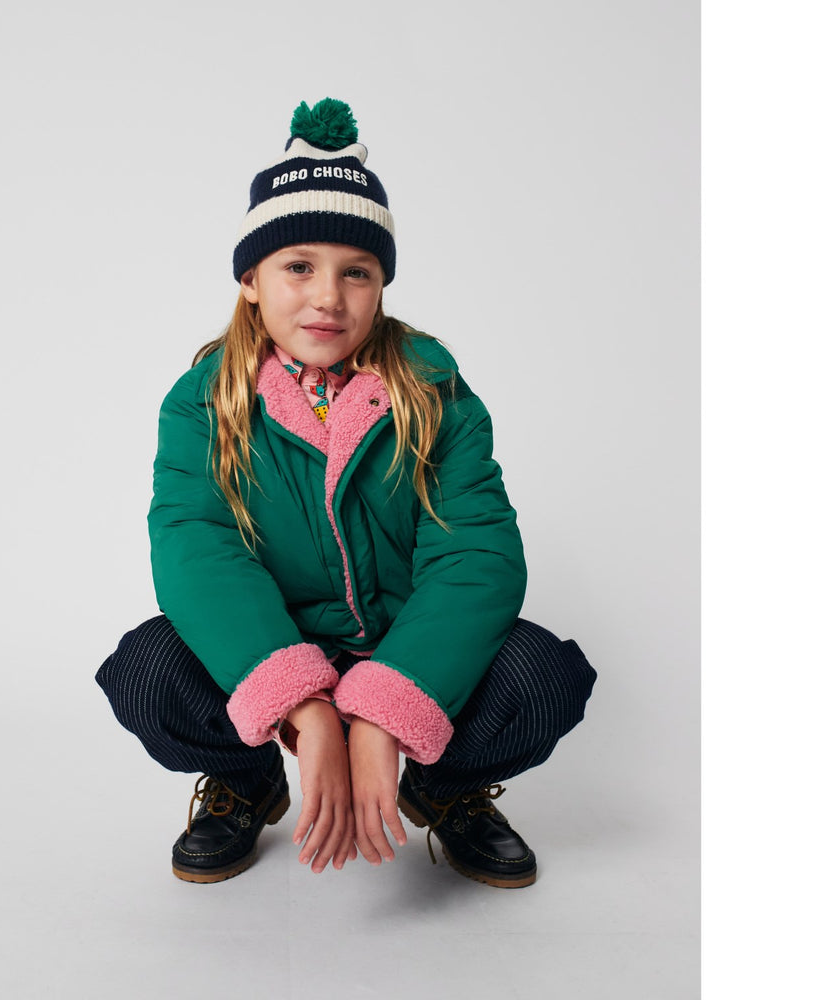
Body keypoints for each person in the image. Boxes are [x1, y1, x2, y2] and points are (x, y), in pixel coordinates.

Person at [96, 98, 596, 887]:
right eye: (298, 266)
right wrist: (304, 701)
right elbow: (198, 551)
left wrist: (383, 707)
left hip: (401, 643)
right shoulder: (202, 401)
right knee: (147, 670)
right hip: (280, 643)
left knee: (542, 678)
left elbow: (476, 556)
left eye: (355, 271)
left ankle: (444, 788)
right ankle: (246, 779)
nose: (328, 296)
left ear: (380, 285)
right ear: (251, 280)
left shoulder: (434, 392)